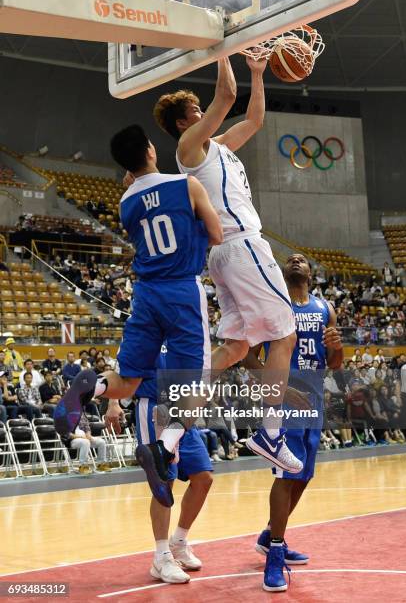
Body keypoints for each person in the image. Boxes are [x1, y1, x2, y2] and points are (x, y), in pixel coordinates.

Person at [54, 124, 222, 509]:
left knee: (127, 382)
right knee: (195, 387)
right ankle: (162, 449)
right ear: (150, 149)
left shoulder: (126, 203)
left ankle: (87, 390)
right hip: (181, 290)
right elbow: (215, 234)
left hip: (145, 294)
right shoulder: (187, 186)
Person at [153, 57, 301, 474]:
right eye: (197, 113)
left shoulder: (216, 148)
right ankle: (271, 434)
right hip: (242, 247)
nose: (205, 115)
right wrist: (225, 47)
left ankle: (171, 428)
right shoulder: (189, 150)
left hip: (227, 256)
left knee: (235, 348)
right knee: (285, 335)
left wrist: (256, 71)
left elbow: (253, 118)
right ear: (184, 124)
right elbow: (227, 95)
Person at [244, 253, 343, 592]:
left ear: (311, 273)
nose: (297, 260)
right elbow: (246, 354)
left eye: (302, 259)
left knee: (303, 476)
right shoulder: (274, 305)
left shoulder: (324, 308)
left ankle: (270, 534)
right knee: (286, 475)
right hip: (284, 403)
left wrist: (337, 348)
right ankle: (274, 554)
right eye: (291, 259)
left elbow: (335, 362)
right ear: (284, 272)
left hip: (314, 401)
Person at [135, 345, 213, 584]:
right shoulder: (144, 326)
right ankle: (161, 557)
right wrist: (114, 404)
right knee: (164, 480)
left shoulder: (185, 329)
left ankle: (178, 542)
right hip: (154, 408)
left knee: (203, 477)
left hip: (183, 410)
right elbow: (125, 371)